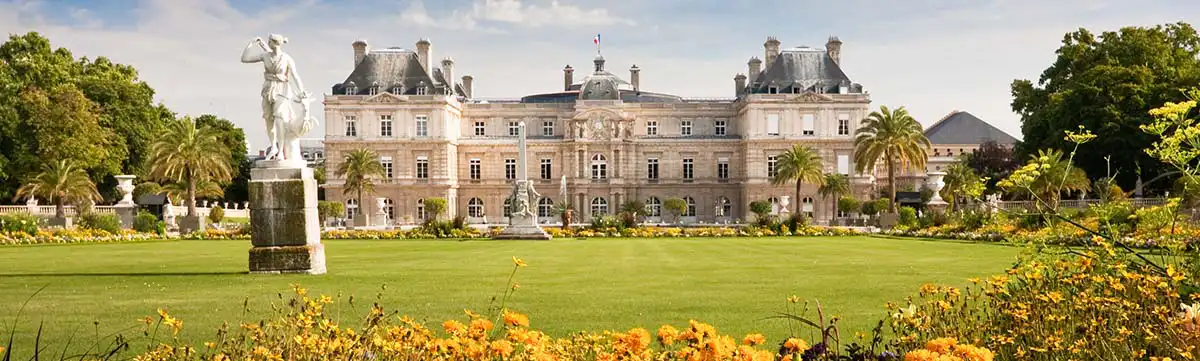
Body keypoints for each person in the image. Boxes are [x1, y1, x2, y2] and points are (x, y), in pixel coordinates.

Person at [241, 34, 309, 161]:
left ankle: (281, 150)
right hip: (268, 88)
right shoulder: (265, 56)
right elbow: (244, 59)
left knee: (279, 118)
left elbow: (295, 75)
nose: (268, 43)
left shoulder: (287, 58)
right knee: (268, 119)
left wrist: (302, 91)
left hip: (282, 88)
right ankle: (273, 147)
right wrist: (250, 44)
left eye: (269, 42)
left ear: (274, 43)